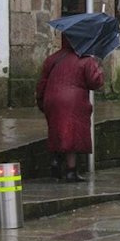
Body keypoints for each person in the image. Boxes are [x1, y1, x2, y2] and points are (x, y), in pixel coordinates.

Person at [36, 34, 104, 182]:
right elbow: (95, 82)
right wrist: (98, 67)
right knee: (71, 135)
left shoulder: (53, 58)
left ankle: (55, 163)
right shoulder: (86, 60)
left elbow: (42, 82)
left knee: (57, 131)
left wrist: (41, 101)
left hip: (51, 99)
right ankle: (70, 171)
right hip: (73, 102)